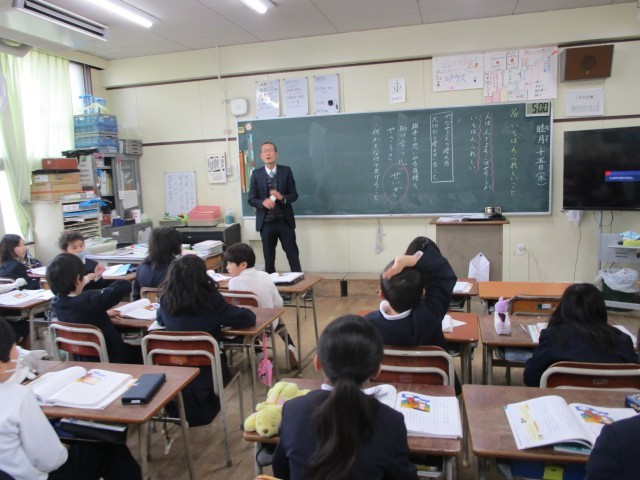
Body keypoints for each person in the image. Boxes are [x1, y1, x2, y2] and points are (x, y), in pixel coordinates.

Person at [272, 314, 418, 480]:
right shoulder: (390, 422)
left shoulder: (292, 410)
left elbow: (281, 472)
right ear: (377, 370)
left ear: (317, 362)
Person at [0, 316, 142, 480]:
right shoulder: (17, 397)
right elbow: (51, 461)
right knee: (107, 445)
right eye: (14, 348)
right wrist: (64, 446)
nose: (18, 353)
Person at [156, 255, 256, 427]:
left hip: (174, 371)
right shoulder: (210, 300)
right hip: (210, 372)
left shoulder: (166, 300)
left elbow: (160, 319)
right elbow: (246, 319)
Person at [523, 283, 638, 387]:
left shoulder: (553, 337)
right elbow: (636, 378)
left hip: (564, 400)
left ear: (563, 308)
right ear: (600, 309)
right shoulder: (623, 340)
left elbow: (530, 378)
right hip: (613, 402)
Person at [47, 253, 141, 364]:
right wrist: (90, 281)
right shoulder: (91, 302)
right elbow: (124, 285)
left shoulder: (56, 303)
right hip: (112, 358)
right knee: (144, 351)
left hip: (82, 359)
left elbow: (82, 309)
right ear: (78, 279)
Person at [364, 237, 456, 349]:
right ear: (423, 293)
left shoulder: (368, 325)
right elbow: (443, 273)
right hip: (432, 361)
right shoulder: (430, 316)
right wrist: (412, 260)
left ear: (381, 294)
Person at [224, 242, 298, 367]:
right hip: (270, 325)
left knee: (248, 317)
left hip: (248, 329)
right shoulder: (265, 275)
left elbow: (235, 309)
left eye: (230, 263)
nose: (227, 267)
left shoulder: (234, 282)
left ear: (243, 265)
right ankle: (290, 345)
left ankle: (260, 354)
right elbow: (279, 303)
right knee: (274, 315)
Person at [248, 141, 302, 274]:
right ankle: (270, 284)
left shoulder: (286, 171)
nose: (268, 153)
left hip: (285, 222)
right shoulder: (256, 174)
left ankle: (299, 282)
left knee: (293, 255)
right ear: (261, 156)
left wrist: (282, 197)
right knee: (269, 258)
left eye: (270, 150)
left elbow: (294, 195)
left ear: (276, 154)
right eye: (264, 151)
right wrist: (262, 203)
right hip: (266, 223)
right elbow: (251, 199)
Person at [132, 227, 182, 300]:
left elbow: (136, 296)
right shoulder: (179, 268)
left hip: (147, 306)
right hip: (172, 306)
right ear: (175, 245)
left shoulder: (141, 267)